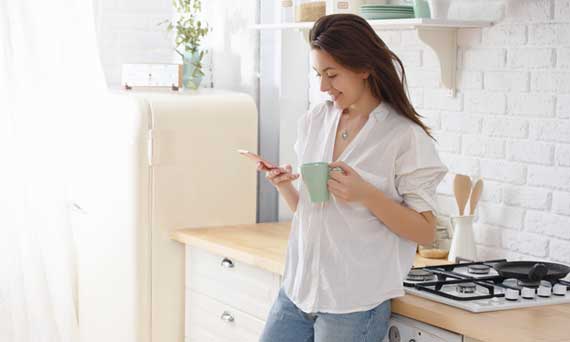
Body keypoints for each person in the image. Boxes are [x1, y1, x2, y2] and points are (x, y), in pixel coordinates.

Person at [258, 13, 448, 342]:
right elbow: (314, 211)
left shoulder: (403, 136)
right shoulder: (315, 120)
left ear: (363, 68)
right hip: (298, 290)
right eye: (318, 74)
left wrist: (367, 194)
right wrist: (285, 186)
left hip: (352, 303)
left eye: (332, 74)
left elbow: (425, 229)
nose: (322, 86)